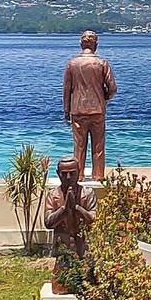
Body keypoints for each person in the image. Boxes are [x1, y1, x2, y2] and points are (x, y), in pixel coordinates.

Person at [63, 30, 117, 180]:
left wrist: (66, 111)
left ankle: (78, 176)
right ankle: (98, 175)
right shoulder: (101, 63)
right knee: (98, 146)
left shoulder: (72, 64)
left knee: (79, 146)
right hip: (97, 110)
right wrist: (103, 98)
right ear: (96, 45)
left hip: (78, 110)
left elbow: (67, 90)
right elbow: (112, 88)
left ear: (81, 44)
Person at [42, 156, 96, 261]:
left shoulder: (88, 193)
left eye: (72, 173)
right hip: (62, 247)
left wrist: (77, 208)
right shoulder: (53, 195)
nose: (68, 177)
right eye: (64, 174)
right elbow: (48, 223)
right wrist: (64, 209)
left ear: (79, 172)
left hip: (84, 246)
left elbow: (93, 220)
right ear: (58, 173)